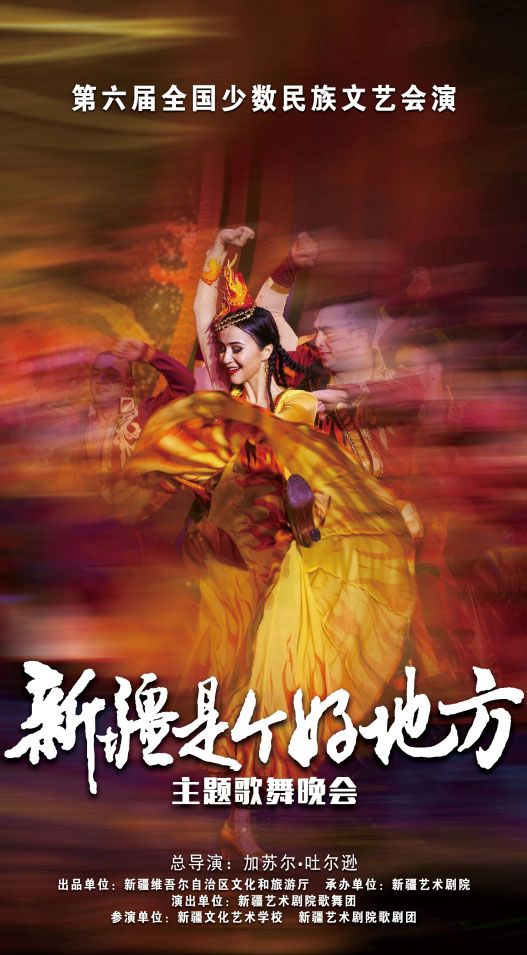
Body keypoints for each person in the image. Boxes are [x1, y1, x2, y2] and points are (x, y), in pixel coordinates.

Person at [116, 227, 417, 856]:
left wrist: (365, 395)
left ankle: (250, 815)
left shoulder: (297, 403)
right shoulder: (224, 405)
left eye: (237, 349)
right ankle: (233, 807)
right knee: (237, 681)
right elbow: (209, 316)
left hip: (289, 564)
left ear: (266, 351)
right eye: (222, 350)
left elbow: (333, 408)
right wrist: (216, 255)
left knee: (275, 678)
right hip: (228, 563)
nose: (226, 358)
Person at [82, 339, 194, 502]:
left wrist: (148, 353)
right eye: (95, 373)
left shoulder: (145, 414)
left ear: (129, 385)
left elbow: (185, 385)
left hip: (139, 516)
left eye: (111, 375)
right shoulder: (77, 422)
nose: (101, 379)